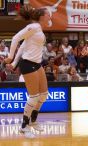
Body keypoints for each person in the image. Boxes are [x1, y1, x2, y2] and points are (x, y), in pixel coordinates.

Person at [4, 5, 51, 138]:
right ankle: (24, 126)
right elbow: (15, 38)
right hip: (27, 64)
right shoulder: (34, 27)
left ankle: (34, 120)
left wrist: (13, 63)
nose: (50, 16)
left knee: (44, 94)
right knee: (34, 96)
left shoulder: (38, 28)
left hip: (37, 64)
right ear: (42, 17)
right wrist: (11, 57)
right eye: (48, 14)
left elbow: (23, 46)